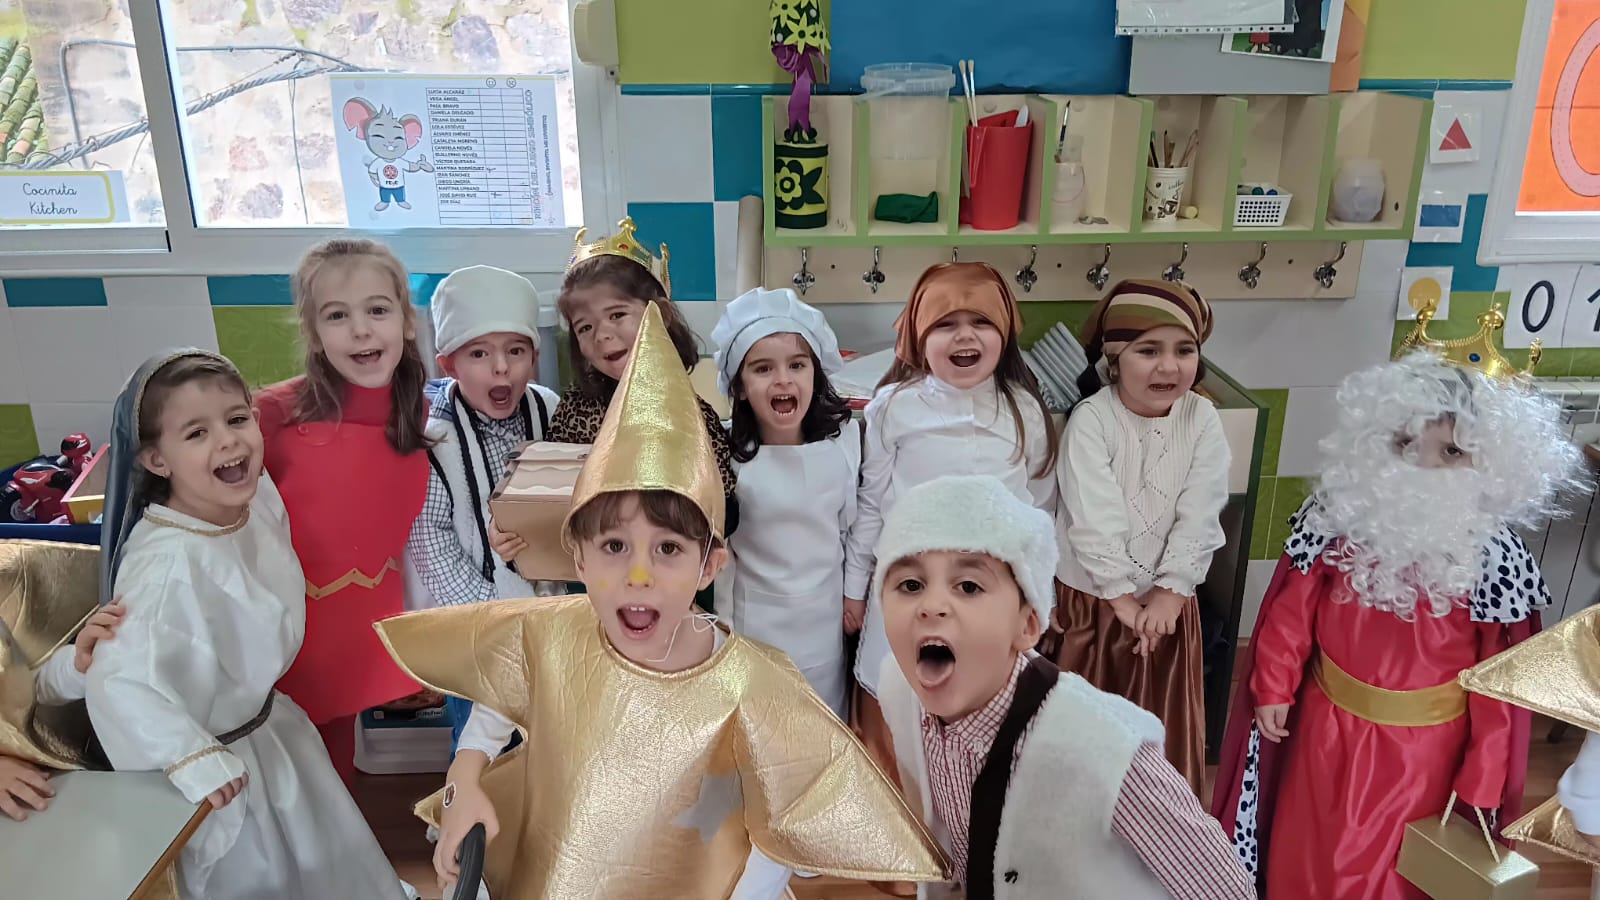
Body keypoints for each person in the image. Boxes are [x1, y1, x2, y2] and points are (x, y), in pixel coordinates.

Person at [375, 305, 948, 900]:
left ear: (710, 566)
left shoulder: (752, 683)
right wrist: (463, 783)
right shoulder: (552, 635)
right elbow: (492, 714)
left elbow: (783, 823)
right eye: (614, 546)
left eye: (669, 548)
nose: (639, 575)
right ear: (578, 559)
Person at [1211, 351, 1584, 899]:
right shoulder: (1338, 520)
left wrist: (1484, 774)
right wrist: (1273, 687)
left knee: (1391, 869)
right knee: (1308, 849)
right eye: (1404, 443)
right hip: (1323, 731)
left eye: (1450, 451)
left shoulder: (1493, 560)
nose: (1422, 465)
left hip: (1423, 758)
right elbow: (1291, 614)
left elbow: (1498, 685)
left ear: (1488, 462)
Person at [83, 349, 409, 898]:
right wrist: (193, 759)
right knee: (261, 874)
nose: (228, 441)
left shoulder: (251, 499)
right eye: (196, 433)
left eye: (236, 419)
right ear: (156, 460)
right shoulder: (165, 568)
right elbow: (117, 681)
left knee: (324, 859)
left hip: (270, 733)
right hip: (221, 765)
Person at [873, 474, 1254, 899]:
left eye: (968, 586)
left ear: (1027, 625)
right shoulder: (901, 692)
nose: (931, 606)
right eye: (910, 585)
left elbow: (1226, 891)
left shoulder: (1109, 754)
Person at [843, 262, 1058, 826]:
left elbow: (1038, 509)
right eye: (946, 324)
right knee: (900, 711)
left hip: (990, 595)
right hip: (910, 587)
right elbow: (871, 504)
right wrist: (854, 590)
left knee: (985, 712)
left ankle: (972, 834)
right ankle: (901, 838)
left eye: (980, 322)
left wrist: (1040, 594)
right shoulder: (894, 406)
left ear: (1005, 332)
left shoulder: (1025, 411)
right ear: (919, 337)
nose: (965, 336)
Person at [254, 238, 432, 782]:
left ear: (406, 321)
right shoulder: (268, 416)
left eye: (377, 310)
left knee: (334, 774)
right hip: (286, 636)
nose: (360, 330)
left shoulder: (422, 411)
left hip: (361, 630)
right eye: (337, 316)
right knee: (287, 771)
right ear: (313, 333)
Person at [1051, 279, 1229, 793]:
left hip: (1168, 611)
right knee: (1087, 740)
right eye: (1148, 351)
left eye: (1184, 350)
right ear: (1114, 359)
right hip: (1094, 606)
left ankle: (1156, 830)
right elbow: (1093, 518)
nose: (1168, 366)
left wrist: (1171, 594)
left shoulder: (1202, 418)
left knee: (1157, 740)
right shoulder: (1092, 421)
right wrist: (1124, 601)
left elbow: (1201, 511)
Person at [404, 264, 563, 754]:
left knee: (552, 731)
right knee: (485, 740)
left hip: (551, 609)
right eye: (479, 353)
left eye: (516, 351)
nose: (501, 369)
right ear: (448, 365)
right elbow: (430, 541)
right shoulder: (435, 439)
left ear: (535, 357)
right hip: (479, 624)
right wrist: (491, 614)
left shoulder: (548, 409)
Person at [711, 286, 857, 718]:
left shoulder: (844, 444)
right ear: (739, 387)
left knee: (821, 726)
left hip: (824, 625)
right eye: (763, 368)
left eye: (797, 364)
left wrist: (853, 595)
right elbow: (723, 554)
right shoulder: (728, 458)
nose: (783, 379)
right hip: (756, 626)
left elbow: (849, 530)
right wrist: (724, 634)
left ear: (815, 373)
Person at [548, 217, 739, 540]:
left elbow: (726, 514)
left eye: (617, 315)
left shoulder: (692, 414)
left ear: (661, 315)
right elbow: (548, 490)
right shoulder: (575, 409)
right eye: (585, 327)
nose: (602, 335)